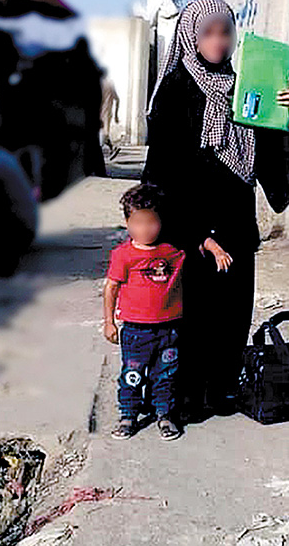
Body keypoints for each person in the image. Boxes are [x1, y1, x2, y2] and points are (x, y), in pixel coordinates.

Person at [142, 0, 289, 421]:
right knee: (191, 315)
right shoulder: (176, 91)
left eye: (225, 31)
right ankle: (187, 395)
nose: (218, 41)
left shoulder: (249, 85)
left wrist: (284, 115)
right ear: (192, 36)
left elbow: (269, 155)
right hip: (190, 224)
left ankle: (224, 389)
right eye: (208, 32)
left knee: (231, 314)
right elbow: (163, 172)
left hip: (235, 219)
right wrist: (195, 234)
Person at [103, 183, 232, 440]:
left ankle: (165, 415)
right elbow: (111, 288)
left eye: (151, 223)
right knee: (132, 376)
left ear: (161, 222)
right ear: (127, 223)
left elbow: (198, 237)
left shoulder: (173, 249)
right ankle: (128, 416)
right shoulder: (123, 255)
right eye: (138, 223)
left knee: (166, 377)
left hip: (168, 330)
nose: (145, 229)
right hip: (136, 331)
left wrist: (216, 249)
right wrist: (109, 322)